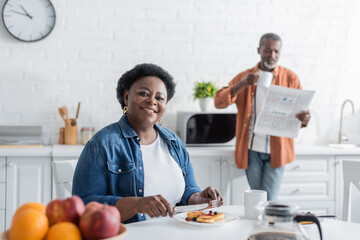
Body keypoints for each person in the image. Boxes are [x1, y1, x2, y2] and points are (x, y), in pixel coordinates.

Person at [72, 63, 223, 224]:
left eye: (159, 98)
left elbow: (188, 189)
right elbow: (84, 205)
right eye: (144, 93)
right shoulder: (101, 145)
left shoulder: (174, 143)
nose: (152, 101)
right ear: (126, 97)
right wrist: (137, 204)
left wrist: (199, 198)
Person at [214, 33, 310, 201]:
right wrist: (243, 84)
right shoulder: (246, 76)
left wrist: (305, 118)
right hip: (251, 150)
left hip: (277, 150)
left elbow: (300, 116)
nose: (272, 56)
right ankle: (258, 227)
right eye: (267, 51)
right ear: (259, 50)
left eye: (276, 51)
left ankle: (267, 227)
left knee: (269, 200)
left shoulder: (290, 77)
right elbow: (219, 101)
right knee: (257, 199)